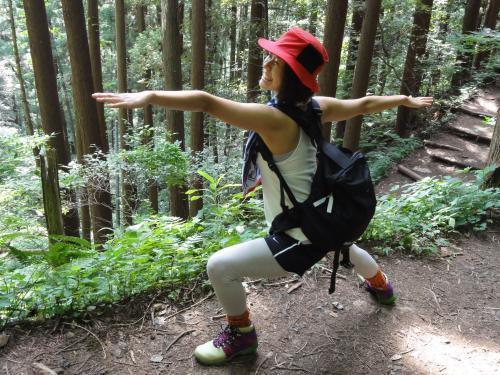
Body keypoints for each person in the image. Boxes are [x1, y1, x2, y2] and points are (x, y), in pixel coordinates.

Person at [93, 27, 433, 366]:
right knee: (343, 244)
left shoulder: (275, 119)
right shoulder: (314, 108)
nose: (267, 63)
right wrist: (403, 100)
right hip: (325, 213)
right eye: (270, 56)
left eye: (277, 61)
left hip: (301, 233)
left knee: (220, 266)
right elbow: (364, 105)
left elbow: (205, 102)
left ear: (292, 77)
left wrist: (150, 96)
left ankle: (241, 336)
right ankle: (381, 286)